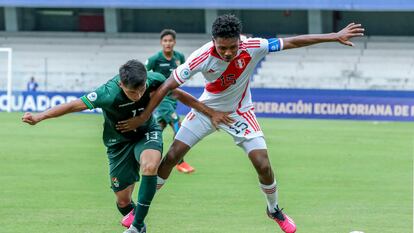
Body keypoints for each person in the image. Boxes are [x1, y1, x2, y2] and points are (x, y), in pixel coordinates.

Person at [116, 15, 364, 233]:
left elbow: (292, 41)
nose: (228, 52)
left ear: (239, 41)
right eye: (223, 47)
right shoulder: (200, 57)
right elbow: (168, 85)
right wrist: (143, 116)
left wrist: (334, 36)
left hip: (240, 112)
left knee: (262, 164)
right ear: (214, 41)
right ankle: (139, 219)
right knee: (171, 157)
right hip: (206, 110)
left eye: (232, 47)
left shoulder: (253, 46)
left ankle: (274, 209)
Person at [22, 60, 231, 233]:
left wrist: (210, 112)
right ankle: (139, 225)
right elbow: (73, 105)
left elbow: (178, 94)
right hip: (118, 143)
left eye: (141, 90)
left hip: (146, 132)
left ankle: (137, 225)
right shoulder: (107, 93)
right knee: (123, 201)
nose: (139, 95)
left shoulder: (153, 79)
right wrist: (40, 116)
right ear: (121, 85)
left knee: (149, 166)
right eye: (133, 92)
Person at [146, 29, 195, 173]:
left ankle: (145, 157)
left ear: (174, 42)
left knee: (157, 128)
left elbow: (185, 73)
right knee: (177, 126)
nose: (168, 43)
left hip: (173, 98)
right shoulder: (155, 59)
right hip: (161, 98)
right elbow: (144, 74)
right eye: (165, 41)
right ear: (161, 43)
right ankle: (180, 162)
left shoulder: (179, 57)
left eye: (170, 41)